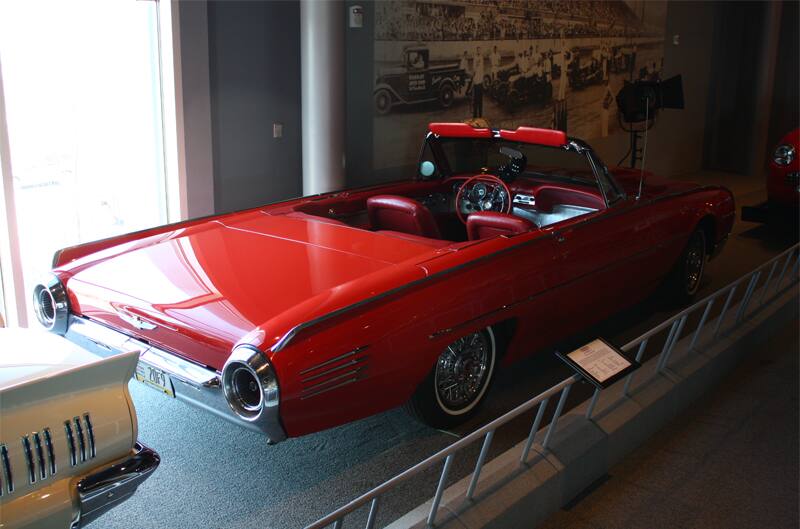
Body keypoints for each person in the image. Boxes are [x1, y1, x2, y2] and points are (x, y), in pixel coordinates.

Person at [472, 46, 485, 118]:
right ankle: (475, 116)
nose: (479, 52)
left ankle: (480, 115)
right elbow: (474, 69)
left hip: (480, 81)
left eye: (480, 50)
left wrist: (482, 79)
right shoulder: (475, 58)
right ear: (476, 51)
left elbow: (482, 69)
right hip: (476, 81)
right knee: (475, 100)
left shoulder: (482, 58)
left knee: (480, 100)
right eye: (478, 50)